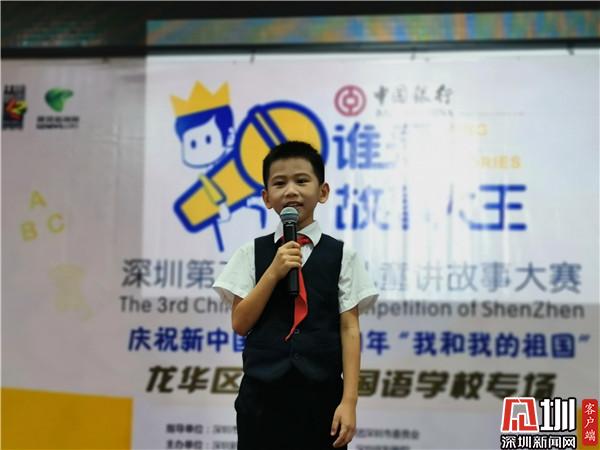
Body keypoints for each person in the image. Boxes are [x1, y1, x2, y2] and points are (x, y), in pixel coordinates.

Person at [213, 140, 378, 450]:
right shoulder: (251, 253)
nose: (291, 191)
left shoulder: (343, 255)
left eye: (302, 181)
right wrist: (273, 272)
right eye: (279, 183)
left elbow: (349, 328)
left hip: (322, 401)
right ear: (266, 198)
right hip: (261, 401)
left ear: (323, 192)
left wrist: (349, 401)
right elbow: (240, 323)